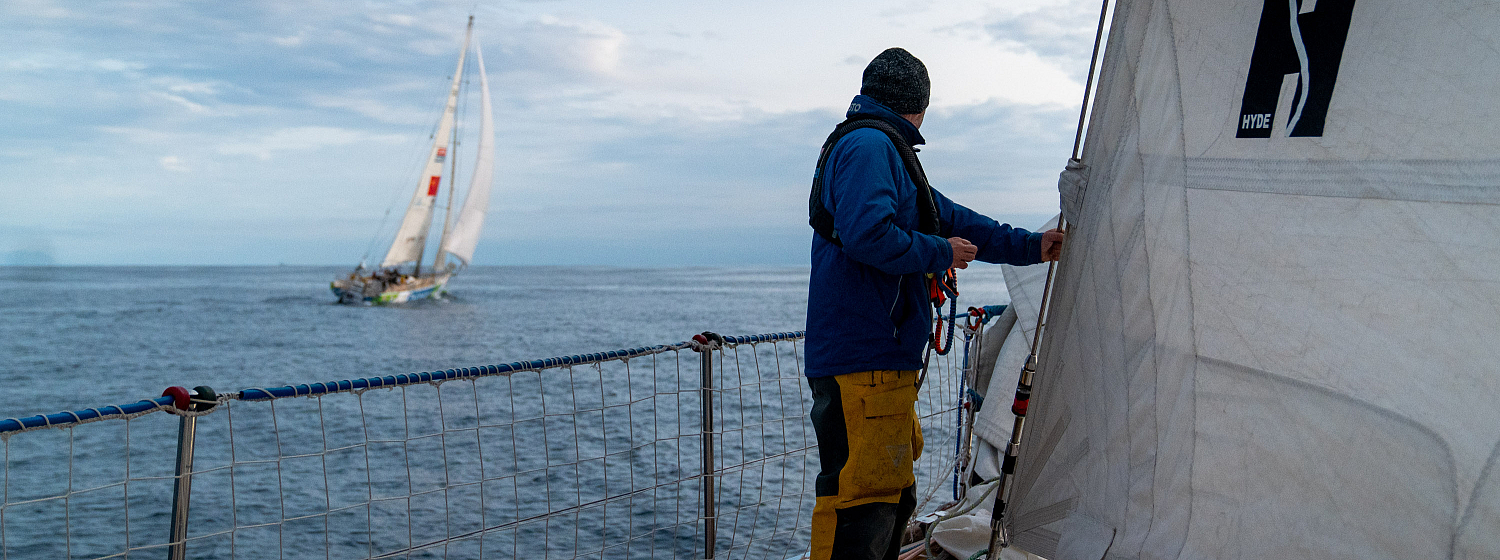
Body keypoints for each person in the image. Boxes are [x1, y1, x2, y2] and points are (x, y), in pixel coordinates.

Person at [804, 47, 1063, 560]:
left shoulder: (883, 152)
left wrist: (1032, 247)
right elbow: (868, 233)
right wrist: (940, 252)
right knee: (862, 498)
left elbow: (954, 219)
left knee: (887, 490)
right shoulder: (872, 149)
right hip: (866, 360)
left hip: (875, 360)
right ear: (918, 105)